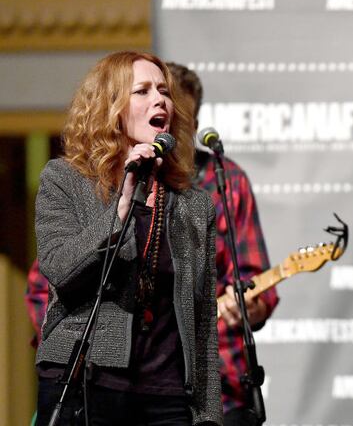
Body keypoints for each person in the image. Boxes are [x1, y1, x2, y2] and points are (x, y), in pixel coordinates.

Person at [27, 61, 279, 426]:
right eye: (142, 91)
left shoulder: (193, 204)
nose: (159, 99)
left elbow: (202, 322)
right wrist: (122, 206)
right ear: (109, 107)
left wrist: (207, 415)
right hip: (87, 382)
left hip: (168, 394)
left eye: (164, 91)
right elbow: (60, 269)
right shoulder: (64, 180)